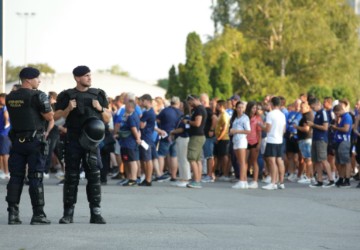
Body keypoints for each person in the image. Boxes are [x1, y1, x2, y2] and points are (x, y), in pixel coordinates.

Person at [54, 65, 111, 224]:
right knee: (71, 178)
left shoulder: (98, 94)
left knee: (94, 177)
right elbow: (56, 117)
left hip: (92, 142)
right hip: (73, 140)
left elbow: (108, 118)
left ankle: (96, 213)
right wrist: (67, 109)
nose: (89, 78)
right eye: (86, 76)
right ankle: (68, 214)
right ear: (77, 78)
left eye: (90, 75)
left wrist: (99, 108)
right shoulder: (66, 95)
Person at [5, 67, 54, 225]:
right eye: (37, 78)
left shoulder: (11, 96)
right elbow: (49, 115)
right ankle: (38, 214)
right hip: (34, 142)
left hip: (17, 142)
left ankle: (13, 213)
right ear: (28, 79)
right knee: (36, 176)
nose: (39, 81)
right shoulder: (38, 95)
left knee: (15, 177)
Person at [307, 98, 335, 188]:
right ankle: (320, 180)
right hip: (315, 138)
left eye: (313, 107)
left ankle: (331, 180)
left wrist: (313, 125)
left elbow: (325, 127)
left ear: (317, 104)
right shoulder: (317, 114)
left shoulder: (323, 112)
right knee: (317, 160)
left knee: (323, 159)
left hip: (321, 139)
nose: (313, 109)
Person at [261, 97, 286, 190]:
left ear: (272, 104)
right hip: (280, 139)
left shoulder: (270, 114)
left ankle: (273, 182)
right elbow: (284, 130)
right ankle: (281, 182)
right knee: (279, 160)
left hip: (272, 140)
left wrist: (261, 126)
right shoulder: (282, 114)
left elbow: (267, 129)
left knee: (272, 162)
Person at [185, 95, 207, 188]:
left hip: (196, 137)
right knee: (197, 159)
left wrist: (188, 122)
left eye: (190, 102)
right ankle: (197, 179)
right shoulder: (200, 109)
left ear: (193, 100)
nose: (189, 104)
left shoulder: (199, 110)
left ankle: (196, 181)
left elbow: (197, 123)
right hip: (199, 136)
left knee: (192, 158)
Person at [230, 101, 251, 189]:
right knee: (240, 161)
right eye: (239, 107)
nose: (240, 109)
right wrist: (231, 131)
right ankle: (245, 180)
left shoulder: (245, 118)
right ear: (236, 108)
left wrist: (237, 131)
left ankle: (241, 180)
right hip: (235, 140)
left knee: (242, 162)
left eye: (242, 107)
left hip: (242, 140)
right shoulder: (235, 118)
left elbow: (248, 131)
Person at [332, 104, 353, 188]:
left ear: (340, 111)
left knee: (346, 161)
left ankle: (347, 179)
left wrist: (335, 128)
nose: (336, 115)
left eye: (336, 114)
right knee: (340, 162)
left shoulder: (347, 117)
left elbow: (346, 129)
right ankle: (341, 178)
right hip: (339, 141)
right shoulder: (342, 117)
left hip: (344, 141)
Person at [139, 94, 157, 186]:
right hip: (148, 137)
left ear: (147, 100)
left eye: (142, 100)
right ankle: (147, 178)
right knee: (146, 159)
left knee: (147, 159)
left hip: (146, 138)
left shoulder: (147, 112)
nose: (141, 102)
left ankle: (148, 179)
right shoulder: (151, 111)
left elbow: (141, 124)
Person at [214, 100, 231, 181]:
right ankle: (220, 171)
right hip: (220, 138)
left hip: (224, 139)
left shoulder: (224, 115)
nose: (216, 107)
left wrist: (219, 138)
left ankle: (225, 173)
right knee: (220, 156)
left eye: (217, 105)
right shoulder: (220, 114)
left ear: (221, 106)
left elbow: (224, 128)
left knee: (224, 156)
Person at [0, 93, 11, 180]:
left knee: (5, 154)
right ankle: (3, 171)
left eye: (1, 99)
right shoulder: (2, 108)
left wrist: (6, 124)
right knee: (1, 154)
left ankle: (6, 172)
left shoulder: (5, 107)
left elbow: (6, 116)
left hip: (5, 134)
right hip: (2, 133)